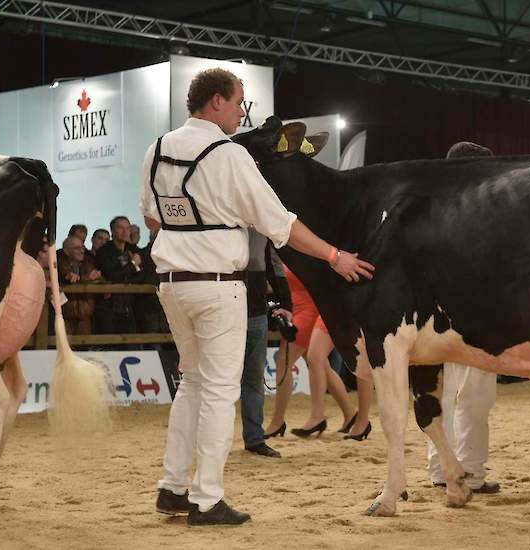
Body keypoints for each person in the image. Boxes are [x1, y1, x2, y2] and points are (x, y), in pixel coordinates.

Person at [142, 67, 374, 526]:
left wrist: (195, 225)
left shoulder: (157, 149)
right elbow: (281, 226)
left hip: (172, 284)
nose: (241, 111)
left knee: (191, 383)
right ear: (215, 102)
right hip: (216, 285)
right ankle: (205, 499)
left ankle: (172, 487)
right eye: (237, 102)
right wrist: (333, 255)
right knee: (219, 392)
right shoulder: (228, 155)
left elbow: (151, 219)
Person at [425, 141, 501, 494]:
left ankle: (445, 468)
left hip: (437, 316)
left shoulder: (428, 207)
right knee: (472, 393)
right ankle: (466, 470)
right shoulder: (487, 213)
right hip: (471, 315)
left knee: (447, 392)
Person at [263, 266, 374, 441]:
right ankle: (345, 414)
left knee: (354, 360)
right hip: (321, 305)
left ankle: (280, 422)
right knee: (319, 362)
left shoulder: (310, 246)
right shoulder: (293, 248)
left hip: (318, 306)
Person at [239, 233, 292, 458]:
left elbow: (272, 262)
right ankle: (209, 442)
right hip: (224, 307)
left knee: (253, 377)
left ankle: (254, 439)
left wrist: (285, 302)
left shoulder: (260, 224)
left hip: (256, 307)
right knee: (222, 382)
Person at [94, 215, 145, 339]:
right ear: (112, 231)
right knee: (111, 345)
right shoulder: (104, 252)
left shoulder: (134, 250)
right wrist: (132, 266)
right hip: (110, 307)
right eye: (120, 228)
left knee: (132, 344)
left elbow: (142, 276)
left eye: (127, 228)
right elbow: (111, 275)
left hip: (132, 306)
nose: (124, 231)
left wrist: (125, 274)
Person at [56, 235, 102, 336]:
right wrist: (86, 278)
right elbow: (65, 280)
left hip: (86, 318)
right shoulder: (58, 265)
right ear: (66, 251)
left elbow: (99, 280)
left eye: (82, 247)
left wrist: (98, 278)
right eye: (77, 248)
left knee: (85, 350)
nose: (81, 251)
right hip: (65, 317)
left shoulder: (90, 263)